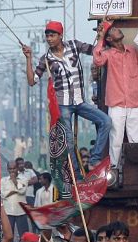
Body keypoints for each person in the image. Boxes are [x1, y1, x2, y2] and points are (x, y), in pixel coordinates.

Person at [23, 21, 110, 170]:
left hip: (80, 102)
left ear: (60, 35)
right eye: (47, 36)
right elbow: (32, 81)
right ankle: (76, 175)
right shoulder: (46, 58)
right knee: (68, 141)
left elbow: (95, 51)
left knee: (106, 121)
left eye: (52, 35)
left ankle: (94, 159)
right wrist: (28, 58)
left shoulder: (74, 46)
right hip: (62, 105)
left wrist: (101, 37)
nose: (49, 39)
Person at [93, 21, 138, 174]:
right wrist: (100, 37)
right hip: (116, 103)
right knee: (115, 139)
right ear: (109, 39)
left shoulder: (133, 51)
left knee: (136, 139)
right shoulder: (108, 54)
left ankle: (137, 173)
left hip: (134, 102)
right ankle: (114, 172)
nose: (118, 30)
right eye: (114, 30)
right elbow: (97, 60)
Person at [2, 159, 33, 240]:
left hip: (21, 211)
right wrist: (15, 191)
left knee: (24, 236)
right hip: (8, 212)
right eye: (10, 169)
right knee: (8, 236)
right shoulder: (3, 180)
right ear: (7, 169)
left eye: (14, 168)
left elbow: (22, 191)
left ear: (17, 168)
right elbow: (3, 195)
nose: (12, 171)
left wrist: (14, 181)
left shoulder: (24, 179)